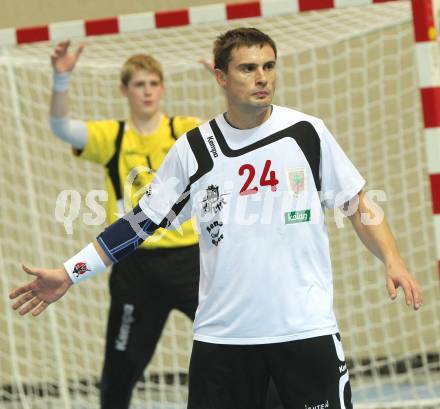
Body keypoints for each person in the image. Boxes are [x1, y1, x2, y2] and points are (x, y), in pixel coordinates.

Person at [10, 28, 422, 409]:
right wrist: (70, 272)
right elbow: (138, 224)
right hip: (223, 341)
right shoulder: (194, 149)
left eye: (268, 66)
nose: (262, 77)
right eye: (247, 68)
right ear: (221, 78)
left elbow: (356, 202)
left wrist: (393, 259)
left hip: (305, 331)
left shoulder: (306, 133)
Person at [48, 42, 202, 409]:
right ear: (124, 90)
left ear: (163, 88)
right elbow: (61, 126)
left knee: (241, 344)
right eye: (138, 84)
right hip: (136, 266)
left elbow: (233, 134)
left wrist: (228, 79)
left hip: (192, 264)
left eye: (153, 83)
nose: (147, 91)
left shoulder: (186, 130)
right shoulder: (112, 137)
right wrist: (61, 77)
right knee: (120, 371)